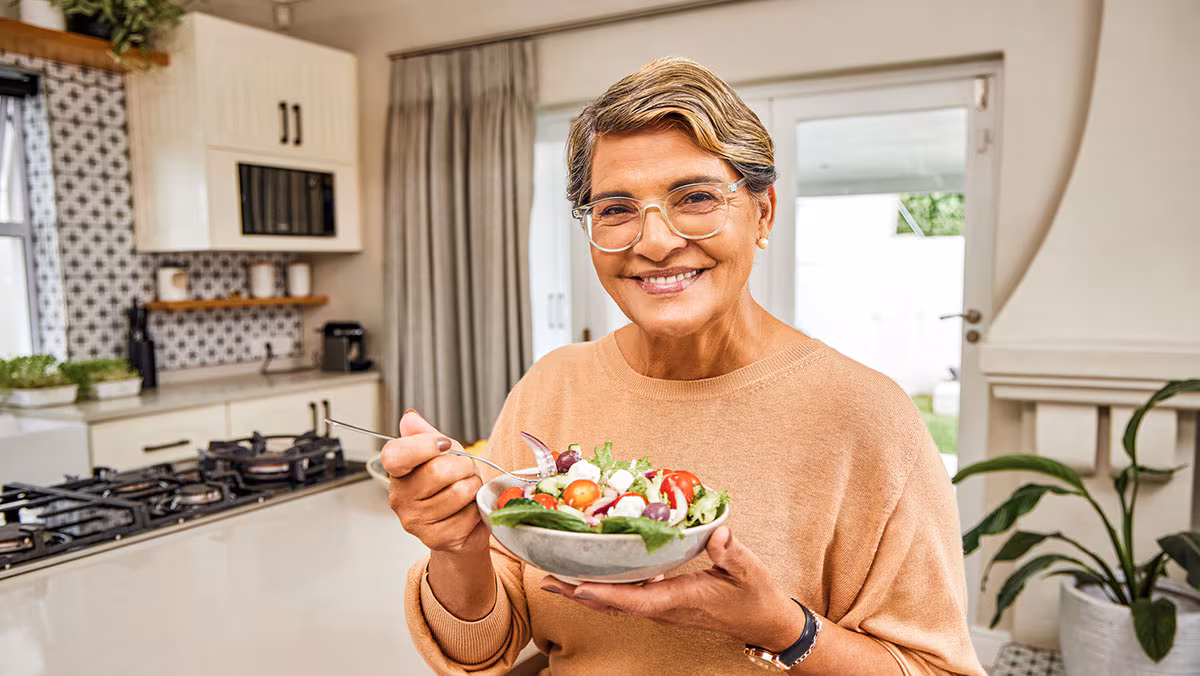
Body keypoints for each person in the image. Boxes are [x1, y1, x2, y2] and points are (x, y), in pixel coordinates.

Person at [383, 57, 985, 675]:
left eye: (695, 197)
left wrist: (777, 624)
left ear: (764, 212)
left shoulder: (866, 416)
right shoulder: (552, 385)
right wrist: (457, 549)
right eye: (615, 209)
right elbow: (480, 652)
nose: (655, 242)